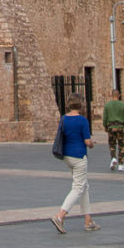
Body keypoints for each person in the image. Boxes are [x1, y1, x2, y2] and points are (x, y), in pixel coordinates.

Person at [51, 92, 99, 234]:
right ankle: (60, 216)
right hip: (79, 156)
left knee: (84, 186)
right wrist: (92, 144)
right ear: (81, 105)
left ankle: (88, 220)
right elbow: (87, 141)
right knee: (78, 187)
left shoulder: (64, 119)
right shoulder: (82, 121)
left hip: (67, 156)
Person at [103, 89, 124, 171]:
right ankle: (121, 164)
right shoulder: (123, 105)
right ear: (119, 95)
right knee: (121, 146)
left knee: (112, 144)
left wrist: (105, 126)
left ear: (111, 95)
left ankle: (113, 158)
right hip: (120, 127)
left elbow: (105, 117)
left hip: (111, 127)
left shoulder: (107, 105)